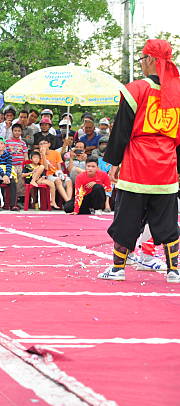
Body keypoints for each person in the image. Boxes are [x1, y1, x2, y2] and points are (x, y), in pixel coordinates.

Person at [99, 39, 180, 283]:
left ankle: (117, 269)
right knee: (167, 220)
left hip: (137, 163)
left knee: (127, 217)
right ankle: (174, 271)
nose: (141, 64)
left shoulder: (135, 89)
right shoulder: (177, 89)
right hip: (166, 164)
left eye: (142, 59)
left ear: (152, 60)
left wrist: (113, 162)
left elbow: (121, 129)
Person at [39, 138, 72, 204]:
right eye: (41, 144)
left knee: (69, 181)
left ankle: (69, 201)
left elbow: (58, 165)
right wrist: (43, 155)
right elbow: (45, 168)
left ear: (49, 144)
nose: (43, 145)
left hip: (57, 173)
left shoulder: (55, 153)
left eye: (44, 143)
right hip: (48, 175)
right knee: (58, 181)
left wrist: (61, 174)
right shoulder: (39, 156)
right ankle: (68, 202)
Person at [0, 137, 18, 210]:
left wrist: (7, 176)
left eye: (2, 143)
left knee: (13, 182)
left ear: (4, 145)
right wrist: (3, 175)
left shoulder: (8, 155)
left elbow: (9, 165)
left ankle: (13, 205)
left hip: (7, 174)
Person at [6, 123, 28, 198]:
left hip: (20, 165)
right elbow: (5, 154)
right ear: (12, 131)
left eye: (19, 131)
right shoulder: (7, 142)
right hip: (10, 166)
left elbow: (25, 155)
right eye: (15, 130)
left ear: (21, 132)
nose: (17, 132)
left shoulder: (23, 143)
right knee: (12, 181)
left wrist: (26, 165)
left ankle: (20, 198)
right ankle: (11, 198)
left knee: (21, 182)